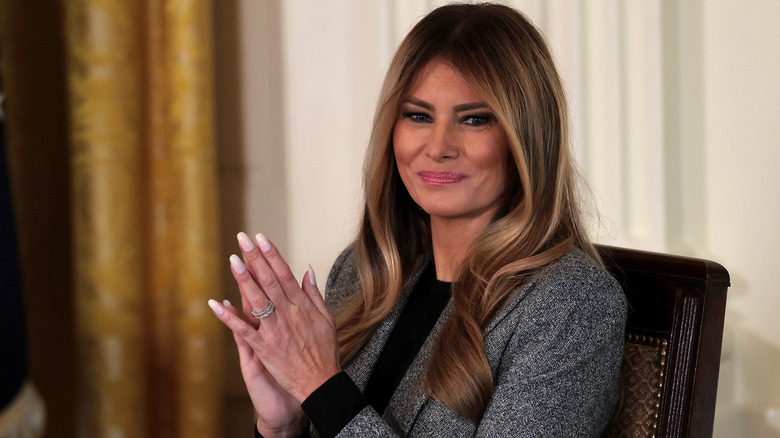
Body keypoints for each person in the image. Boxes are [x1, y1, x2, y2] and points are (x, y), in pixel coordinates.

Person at [207, 3, 626, 437]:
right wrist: (283, 426)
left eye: (475, 119)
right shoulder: (364, 272)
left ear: (527, 137)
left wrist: (321, 386)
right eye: (418, 116)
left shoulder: (573, 304)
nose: (439, 145)